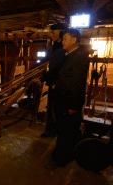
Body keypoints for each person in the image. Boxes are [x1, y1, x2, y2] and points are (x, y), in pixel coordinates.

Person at [45, 29, 90, 170]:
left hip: (69, 104)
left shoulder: (79, 58)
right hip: (63, 101)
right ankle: (63, 155)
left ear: (74, 40)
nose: (62, 41)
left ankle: (59, 159)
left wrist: (74, 106)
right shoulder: (68, 55)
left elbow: (77, 84)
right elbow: (64, 77)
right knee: (64, 131)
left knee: (66, 133)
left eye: (65, 39)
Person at [35, 23, 68, 138]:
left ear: (61, 32)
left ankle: (57, 132)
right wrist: (33, 67)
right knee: (51, 108)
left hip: (58, 83)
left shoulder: (63, 48)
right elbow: (47, 59)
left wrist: (42, 78)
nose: (51, 35)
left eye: (53, 32)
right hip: (52, 80)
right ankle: (50, 130)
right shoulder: (55, 46)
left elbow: (56, 68)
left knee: (56, 109)